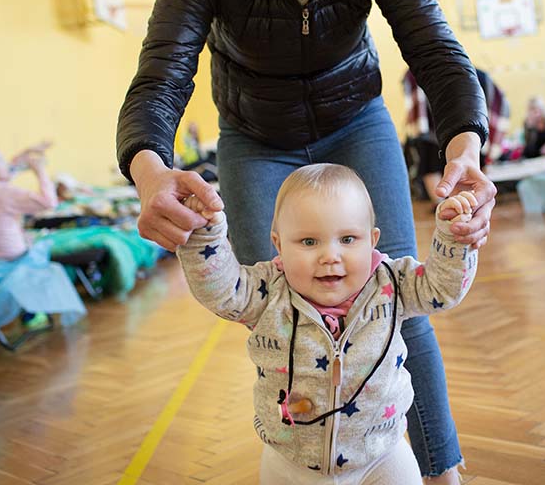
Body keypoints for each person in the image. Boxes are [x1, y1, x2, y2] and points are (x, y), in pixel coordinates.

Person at [116, 0, 496, 480]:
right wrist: (150, 169)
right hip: (254, 135)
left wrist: (465, 147)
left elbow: (435, 48)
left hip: (357, 121)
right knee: (277, 301)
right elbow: (161, 73)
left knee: (395, 297)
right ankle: (308, 459)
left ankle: (440, 472)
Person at [179, 164, 478, 482]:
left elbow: (441, 289)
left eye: (348, 239)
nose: (330, 255)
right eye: (309, 242)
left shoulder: (392, 283)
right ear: (279, 245)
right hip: (290, 463)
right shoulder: (267, 292)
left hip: (381, 457)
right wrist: (204, 233)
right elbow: (221, 291)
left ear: (371, 241)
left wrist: (453, 239)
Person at [403, 68, 509, 201]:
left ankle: (455, 204)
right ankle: (465, 203)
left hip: (454, 127)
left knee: (434, 167)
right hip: (465, 126)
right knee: (466, 164)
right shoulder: (473, 74)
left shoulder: (417, 72)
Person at [0, 143, 58, 262]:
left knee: (27, 236)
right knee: (39, 242)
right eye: (1, 160)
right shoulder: (4, 192)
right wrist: (40, 171)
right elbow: (50, 203)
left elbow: (10, 170)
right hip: (10, 256)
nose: (6, 164)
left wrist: (27, 151)